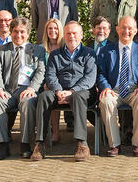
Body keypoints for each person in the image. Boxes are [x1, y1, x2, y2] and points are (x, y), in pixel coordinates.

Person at [32, 21, 96, 162]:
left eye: (74, 33)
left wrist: (72, 91)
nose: (71, 36)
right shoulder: (55, 55)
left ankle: (82, 144)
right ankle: (40, 144)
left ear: (81, 35)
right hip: (59, 91)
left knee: (78, 97)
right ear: (64, 36)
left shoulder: (89, 54)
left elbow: (90, 78)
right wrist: (58, 91)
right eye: (68, 33)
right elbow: (50, 75)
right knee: (43, 97)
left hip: (83, 92)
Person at [96, 16, 138, 157]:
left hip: (135, 90)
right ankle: (115, 145)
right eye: (123, 27)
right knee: (105, 101)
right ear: (117, 29)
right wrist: (105, 87)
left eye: (130, 28)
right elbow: (100, 73)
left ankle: (137, 143)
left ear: (135, 31)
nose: (126, 31)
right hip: (114, 90)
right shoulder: (106, 50)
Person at [0, 17, 46, 160]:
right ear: (10, 32)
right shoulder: (1, 50)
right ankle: (3, 144)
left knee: (28, 101)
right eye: (15, 31)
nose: (18, 35)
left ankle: (26, 143)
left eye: (22, 32)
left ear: (28, 34)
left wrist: (32, 88)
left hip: (26, 89)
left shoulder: (38, 50)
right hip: (6, 90)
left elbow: (41, 71)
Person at [41, 18, 65, 143]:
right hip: (42, 82)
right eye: (50, 28)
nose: (53, 31)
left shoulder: (65, 47)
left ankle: (56, 133)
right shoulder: (40, 48)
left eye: (55, 28)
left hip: (60, 83)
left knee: (52, 93)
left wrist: (52, 84)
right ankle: (42, 132)